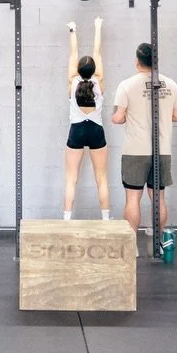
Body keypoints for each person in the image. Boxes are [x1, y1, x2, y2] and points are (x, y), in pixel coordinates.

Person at [111, 42, 177, 237]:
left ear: (137, 62)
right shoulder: (171, 84)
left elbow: (117, 117)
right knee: (159, 198)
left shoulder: (126, 85)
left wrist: (133, 115)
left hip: (135, 151)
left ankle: (132, 244)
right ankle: (159, 241)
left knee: (133, 199)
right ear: (156, 61)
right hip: (162, 150)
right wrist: (160, 114)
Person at [63, 18, 110, 220]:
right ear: (94, 72)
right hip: (96, 131)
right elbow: (97, 53)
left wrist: (73, 30)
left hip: (77, 130)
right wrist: (98, 27)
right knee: (101, 178)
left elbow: (73, 54)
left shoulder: (72, 83)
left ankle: (66, 218)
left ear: (78, 70)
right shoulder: (99, 83)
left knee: (71, 178)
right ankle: (106, 219)